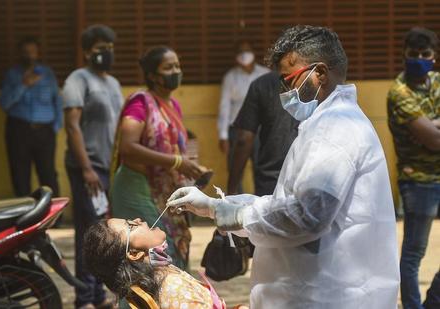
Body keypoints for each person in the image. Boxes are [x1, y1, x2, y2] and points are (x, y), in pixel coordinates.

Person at [167, 25, 400, 308]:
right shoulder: (323, 125)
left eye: (289, 80)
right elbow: (289, 204)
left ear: (320, 73)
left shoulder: (335, 130)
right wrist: (214, 205)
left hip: (327, 296)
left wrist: (230, 213)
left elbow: (306, 216)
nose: (286, 91)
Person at [110, 46, 206, 271]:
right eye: (169, 67)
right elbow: (128, 146)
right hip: (137, 186)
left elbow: (173, 148)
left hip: (164, 191)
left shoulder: (174, 106)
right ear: (152, 75)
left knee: (168, 257)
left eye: (178, 66)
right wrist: (177, 162)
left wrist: (189, 167)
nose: (176, 71)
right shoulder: (140, 102)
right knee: (148, 257)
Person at [62, 24, 122, 309]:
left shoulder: (112, 83)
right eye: (100, 49)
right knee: (88, 233)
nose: (106, 53)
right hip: (88, 168)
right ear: (87, 52)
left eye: (110, 48)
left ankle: (98, 296)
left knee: (104, 234)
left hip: (109, 170)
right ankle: (84, 298)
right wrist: (86, 168)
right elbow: (72, 127)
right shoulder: (78, 79)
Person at [387, 27, 440, 309]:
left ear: (434, 57)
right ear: (404, 55)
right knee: (413, 255)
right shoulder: (399, 92)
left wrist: (429, 124)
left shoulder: (438, 81)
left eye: (425, 54)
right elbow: (433, 141)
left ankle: (433, 302)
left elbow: (429, 132)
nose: (419, 59)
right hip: (418, 183)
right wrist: (433, 126)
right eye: (413, 54)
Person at [83, 218, 225, 308]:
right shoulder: (172, 287)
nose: (138, 219)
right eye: (131, 225)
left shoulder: (138, 287)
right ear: (133, 254)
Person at [0, 36, 61, 198]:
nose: (29, 55)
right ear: (20, 54)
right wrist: (23, 84)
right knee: (20, 174)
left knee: (48, 174)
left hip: (45, 131)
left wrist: (55, 127)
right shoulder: (12, 74)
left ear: (38, 53)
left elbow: (57, 101)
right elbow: (4, 103)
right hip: (19, 129)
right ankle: (24, 217)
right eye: (25, 52)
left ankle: (54, 216)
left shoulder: (48, 73)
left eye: (32, 52)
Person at [227, 71, 298, 196]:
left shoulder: (262, 84)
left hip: (271, 179)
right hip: (309, 177)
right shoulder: (320, 81)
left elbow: (244, 139)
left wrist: (232, 188)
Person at [217, 40, 269, 193]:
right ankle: (236, 205)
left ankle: (262, 203)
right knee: (235, 168)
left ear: (253, 53)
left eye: (247, 50)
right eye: (240, 52)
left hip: (261, 130)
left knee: (262, 168)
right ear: (236, 57)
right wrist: (223, 135)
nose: (244, 55)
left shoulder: (265, 74)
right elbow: (224, 106)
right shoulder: (230, 77)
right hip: (237, 130)